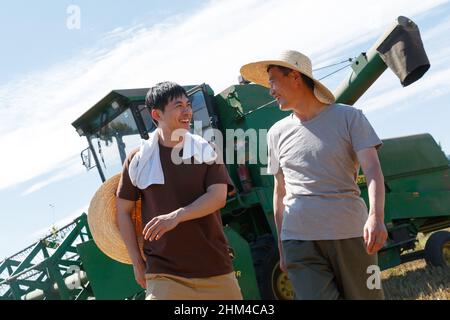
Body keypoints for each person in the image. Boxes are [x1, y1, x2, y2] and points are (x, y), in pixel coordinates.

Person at [240, 50, 387, 300]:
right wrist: (281, 244)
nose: (270, 90)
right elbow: (280, 191)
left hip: (349, 234)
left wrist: (376, 217)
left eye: (273, 80)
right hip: (298, 240)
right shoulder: (276, 133)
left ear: (295, 76)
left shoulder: (349, 117)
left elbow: (372, 169)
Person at [115, 81, 242, 300]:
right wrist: (137, 262)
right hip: (164, 273)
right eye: (178, 106)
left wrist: (177, 216)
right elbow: (122, 211)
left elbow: (218, 197)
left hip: (215, 268)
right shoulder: (137, 160)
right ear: (157, 114)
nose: (187, 111)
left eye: (188, 104)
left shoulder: (206, 150)